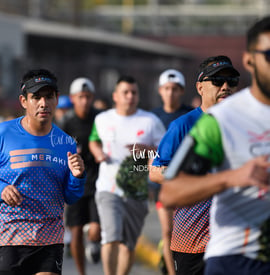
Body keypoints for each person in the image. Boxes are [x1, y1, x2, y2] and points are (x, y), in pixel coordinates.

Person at [160, 16, 270, 275]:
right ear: (250, 60)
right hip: (235, 257)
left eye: (229, 81)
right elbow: (170, 191)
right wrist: (232, 177)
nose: (224, 87)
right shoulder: (218, 122)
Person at [0, 69, 86, 275]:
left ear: (56, 99)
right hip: (8, 232)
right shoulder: (2, 134)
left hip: (49, 235)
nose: (43, 103)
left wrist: (77, 176)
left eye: (49, 97)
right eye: (36, 97)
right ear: (24, 101)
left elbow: (70, 196)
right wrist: (1, 189)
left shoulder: (66, 142)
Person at [150, 56, 240, 275]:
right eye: (218, 81)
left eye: (231, 81)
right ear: (200, 87)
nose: (225, 87)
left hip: (234, 237)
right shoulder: (183, 125)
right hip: (192, 238)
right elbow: (155, 172)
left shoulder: (243, 124)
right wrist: (199, 177)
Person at [89, 76, 166, 275]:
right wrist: (98, 153)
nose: (130, 96)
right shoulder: (102, 119)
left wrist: (145, 149)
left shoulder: (150, 121)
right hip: (108, 188)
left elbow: (164, 152)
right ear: (115, 96)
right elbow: (94, 140)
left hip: (136, 191)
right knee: (111, 237)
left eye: (134, 92)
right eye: (125, 92)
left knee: (128, 245)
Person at [150, 69, 193, 275]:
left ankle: (169, 255)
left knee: (182, 232)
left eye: (175, 89)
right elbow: (149, 157)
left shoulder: (190, 116)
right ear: (160, 90)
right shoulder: (153, 117)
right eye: (167, 89)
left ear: (182, 91)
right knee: (168, 231)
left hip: (187, 184)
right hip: (164, 184)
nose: (171, 93)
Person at [61, 77, 101, 275]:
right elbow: (58, 154)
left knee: (95, 229)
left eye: (87, 97)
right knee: (75, 231)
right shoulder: (66, 122)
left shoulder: (100, 118)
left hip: (97, 181)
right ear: (73, 98)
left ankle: (94, 241)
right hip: (75, 183)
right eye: (80, 97)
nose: (84, 101)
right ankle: (81, 272)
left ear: (92, 97)